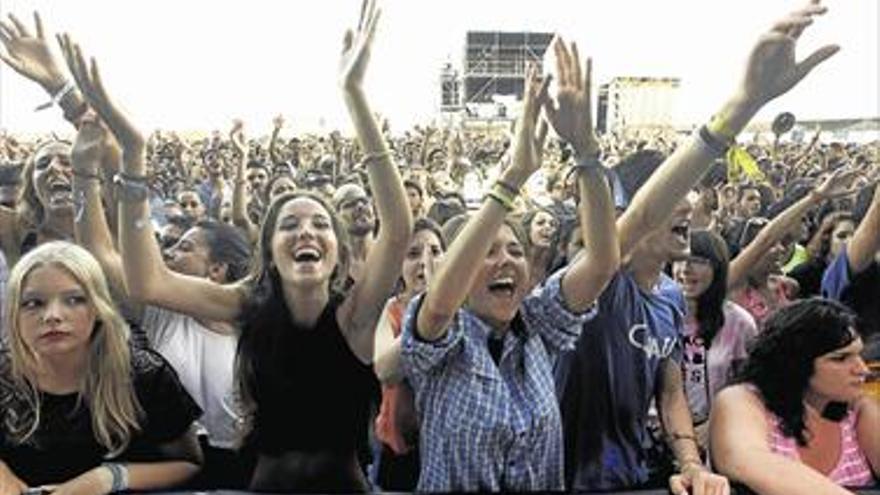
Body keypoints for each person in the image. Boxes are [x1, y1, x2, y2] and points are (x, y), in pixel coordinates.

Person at [63, 0, 412, 489]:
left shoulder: (355, 316)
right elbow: (146, 281)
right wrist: (134, 155)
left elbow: (397, 228)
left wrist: (353, 95)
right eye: (289, 225)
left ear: (336, 252)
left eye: (319, 224)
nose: (306, 232)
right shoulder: (248, 305)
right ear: (268, 251)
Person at [558, 3, 839, 493]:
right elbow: (644, 212)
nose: (687, 204)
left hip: (630, 477)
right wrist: (742, 105)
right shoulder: (596, 278)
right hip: (563, 479)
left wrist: (689, 461)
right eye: (674, 196)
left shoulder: (669, 296)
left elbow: (669, 390)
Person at [402, 47, 620, 491]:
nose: (506, 261)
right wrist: (514, 175)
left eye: (515, 250)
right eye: (488, 251)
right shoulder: (442, 339)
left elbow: (601, 261)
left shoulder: (537, 324)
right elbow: (442, 302)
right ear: (457, 268)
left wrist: (585, 150)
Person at [0, 241, 203, 491]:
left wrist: (110, 478)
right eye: (33, 303)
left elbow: (189, 463)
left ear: (98, 308)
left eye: (74, 300)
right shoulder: (3, 371)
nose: (52, 315)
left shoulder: (143, 374)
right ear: (13, 314)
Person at [710, 299, 879, 494]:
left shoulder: (859, 407)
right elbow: (747, 460)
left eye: (859, 354)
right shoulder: (742, 399)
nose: (862, 369)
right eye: (840, 358)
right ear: (795, 363)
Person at [372, 217, 446, 491]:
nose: (424, 262)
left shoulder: (464, 311)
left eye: (435, 252)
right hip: (399, 450)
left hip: (447, 451)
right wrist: (428, 314)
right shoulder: (390, 309)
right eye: (413, 254)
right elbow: (386, 370)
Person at [671, 230, 758, 449]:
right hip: (660, 438)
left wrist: (714, 425)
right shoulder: (657, 316)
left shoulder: (739, 322)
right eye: (680, 259)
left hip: (719, 439)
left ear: (718, 268)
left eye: (698, 261)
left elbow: (751, 388)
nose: (686, 269)